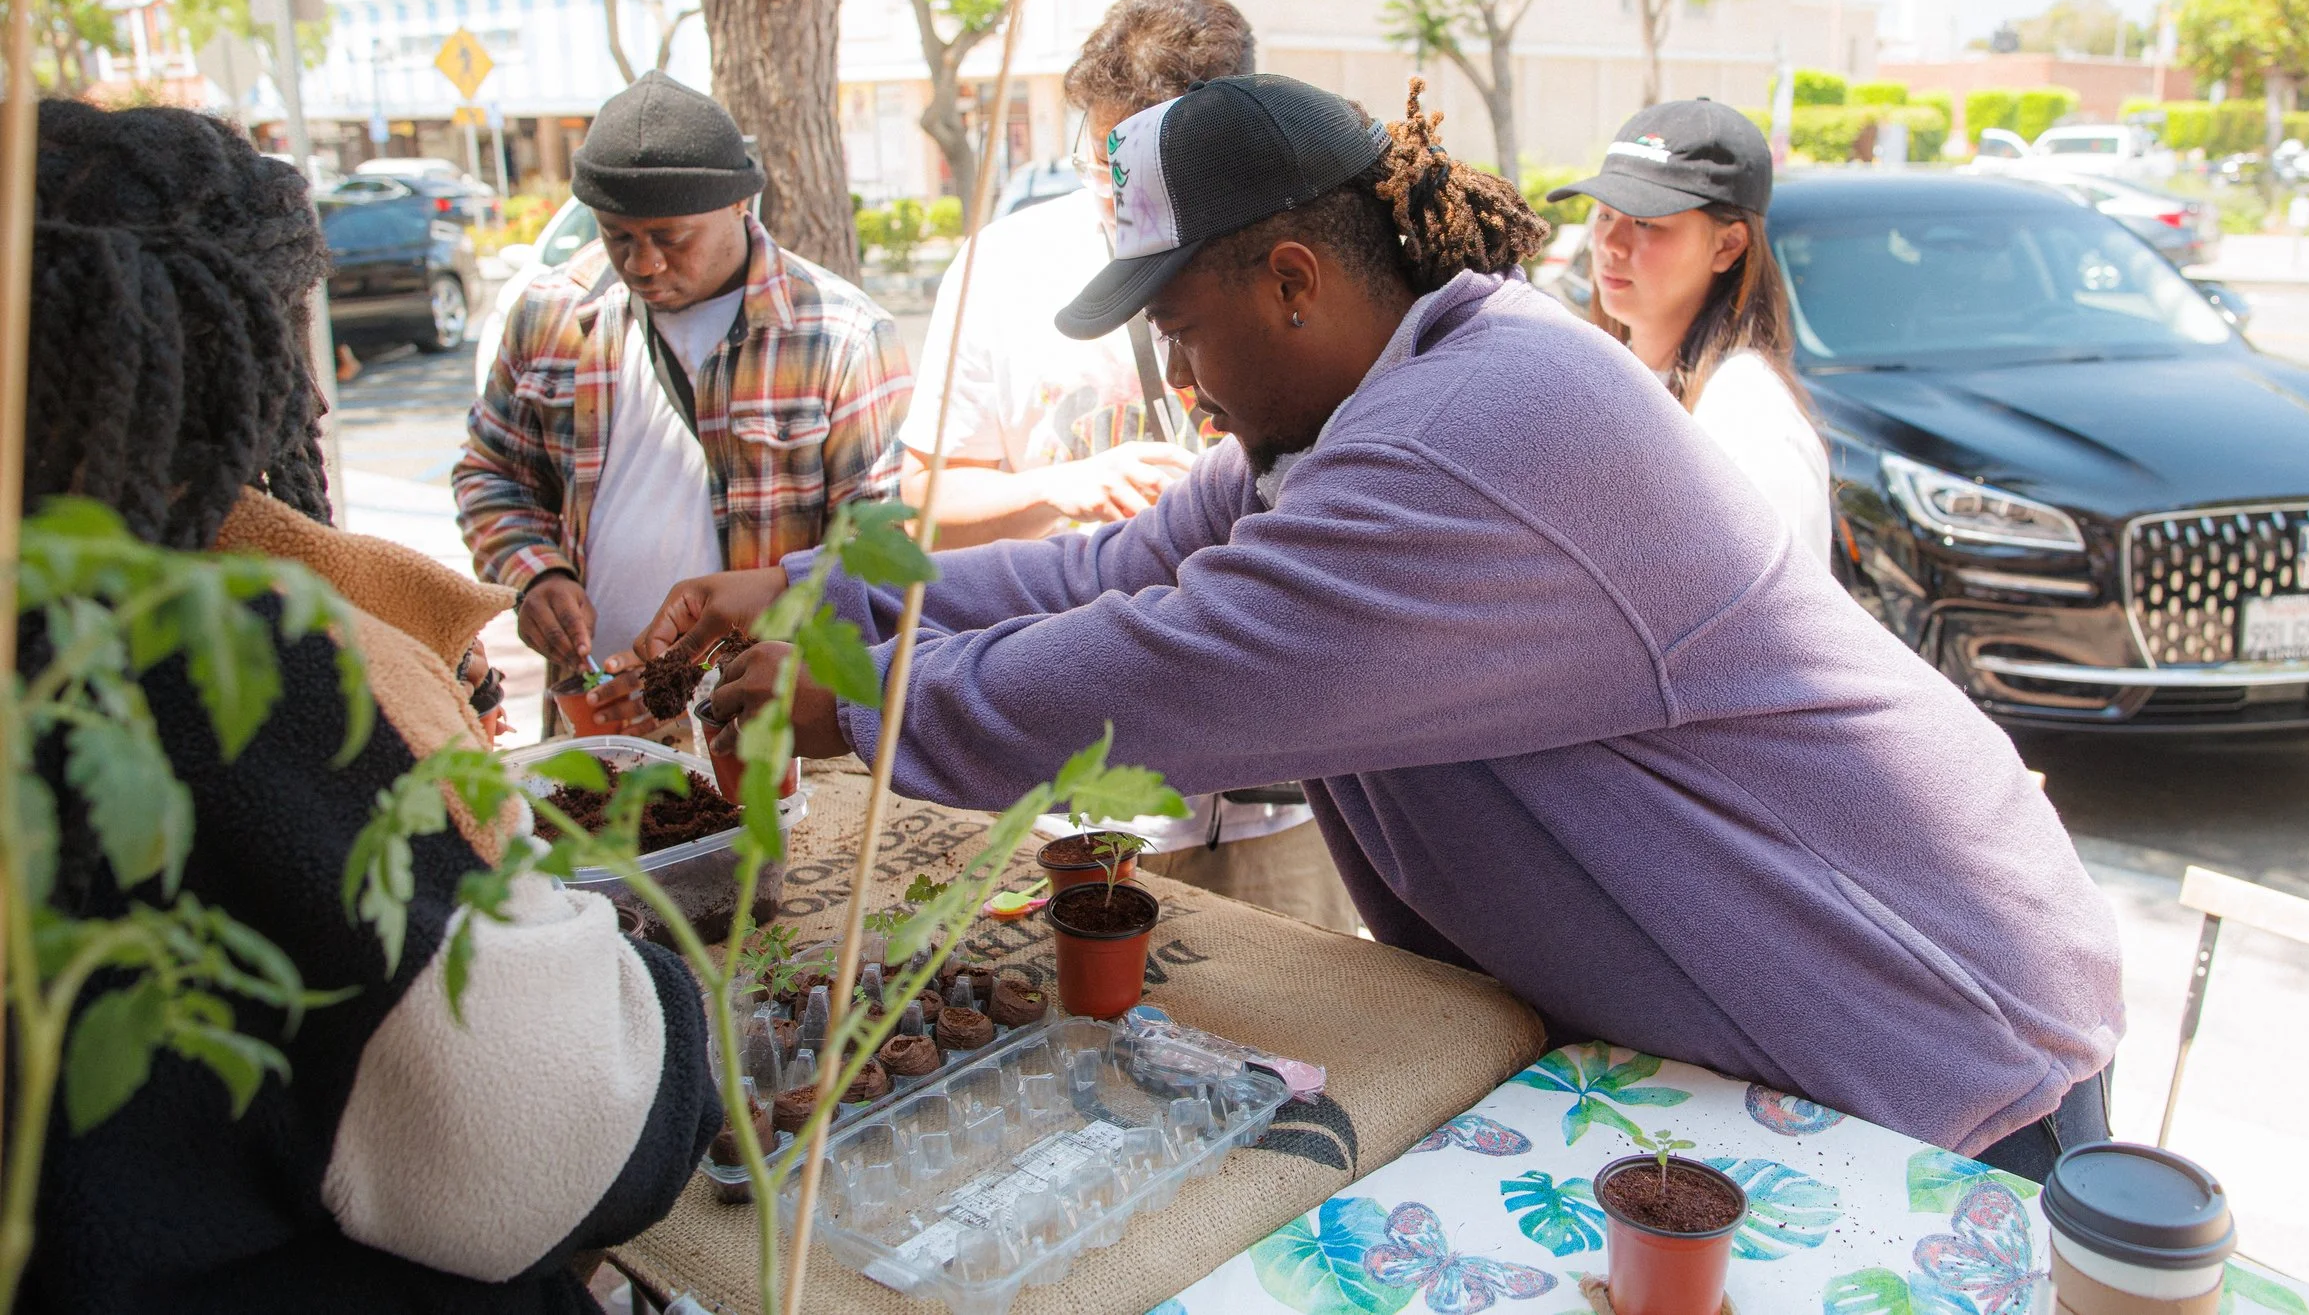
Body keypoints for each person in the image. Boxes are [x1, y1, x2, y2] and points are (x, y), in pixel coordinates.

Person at [644, 73, 2125, 1172]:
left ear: (1292, 279)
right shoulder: (1352, 424)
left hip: (1929, 1047)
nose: (1184, 380)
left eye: (1179, 329)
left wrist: (861, 701)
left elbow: (1194, 661)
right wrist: (811, 599)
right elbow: (1101, 575)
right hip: (1758, 1052)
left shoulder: (1481, 425)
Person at [19, 100, 716, 1311]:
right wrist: (656, 986)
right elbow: (559, 1137)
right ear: (219, 354)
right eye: (297, 338)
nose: (325, 392)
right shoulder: (251, 672)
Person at [897, 0, 1358, 931]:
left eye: (1149, 159)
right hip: (1082, 804)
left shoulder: (1298, 265)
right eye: (1102, 156)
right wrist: (1057, 486)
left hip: (1284, 804)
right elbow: (923, 505)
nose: (1119, 189)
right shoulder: (1002, 267)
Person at [454, 71, 911, 724]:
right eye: (619, 236)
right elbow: (489, 472)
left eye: (671, 238)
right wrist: (535, 574)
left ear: (739, 206)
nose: (643, 264)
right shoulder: (549, 311)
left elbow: (876, 556)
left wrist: (688, 660)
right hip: (593, 716)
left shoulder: (842, 337)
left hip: (762, 731)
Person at [1555, 100, 1831, 556]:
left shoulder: (1751, 424)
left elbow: (1781, 623)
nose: (1611, 244)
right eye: (1604, 215)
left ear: (1728, 245)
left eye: (1646, 222)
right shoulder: (1616, 385)